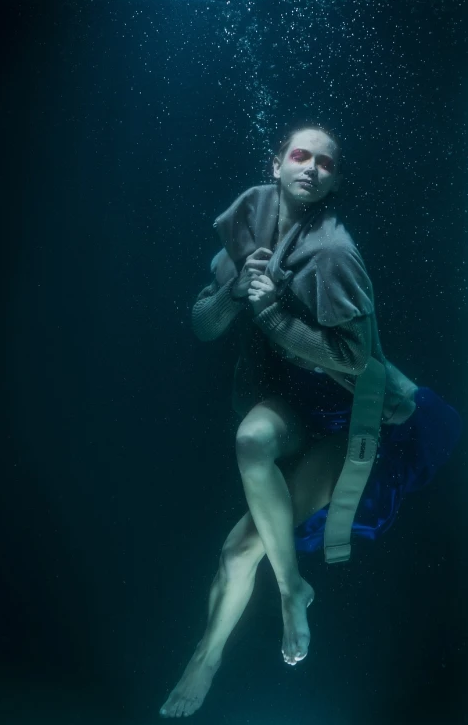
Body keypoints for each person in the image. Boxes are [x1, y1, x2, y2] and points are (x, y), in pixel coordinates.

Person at [159, 126, 461, 718]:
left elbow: (354, 358)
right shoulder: (246, 228)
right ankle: (263, 611)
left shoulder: (334, 252)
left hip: (357, 413)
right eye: (300, 155)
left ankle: (227, 638)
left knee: (238, 553)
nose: (312, 168)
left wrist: (269, 309)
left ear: (335, 181)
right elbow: (202, 322)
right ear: (276, 163)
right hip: (293, 400)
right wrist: (234, 294)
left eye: (326, 163)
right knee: (250, 441)